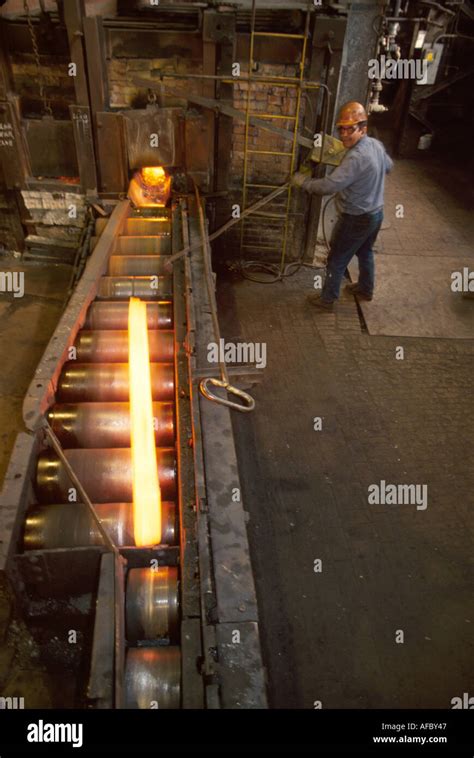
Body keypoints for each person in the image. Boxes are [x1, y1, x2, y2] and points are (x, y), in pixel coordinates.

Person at [291, 101, 393, 311]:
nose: (344, 135)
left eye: (351, 129)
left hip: (356, 217)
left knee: (336, 258)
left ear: (362, 129)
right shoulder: (375, 145)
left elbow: (330, 185)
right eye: (342, 129)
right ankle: (366, 289)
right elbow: (389, 167)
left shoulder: (355, 158)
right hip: (376, 213)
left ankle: (327, 299)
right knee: (365, 252)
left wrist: (304, 182)